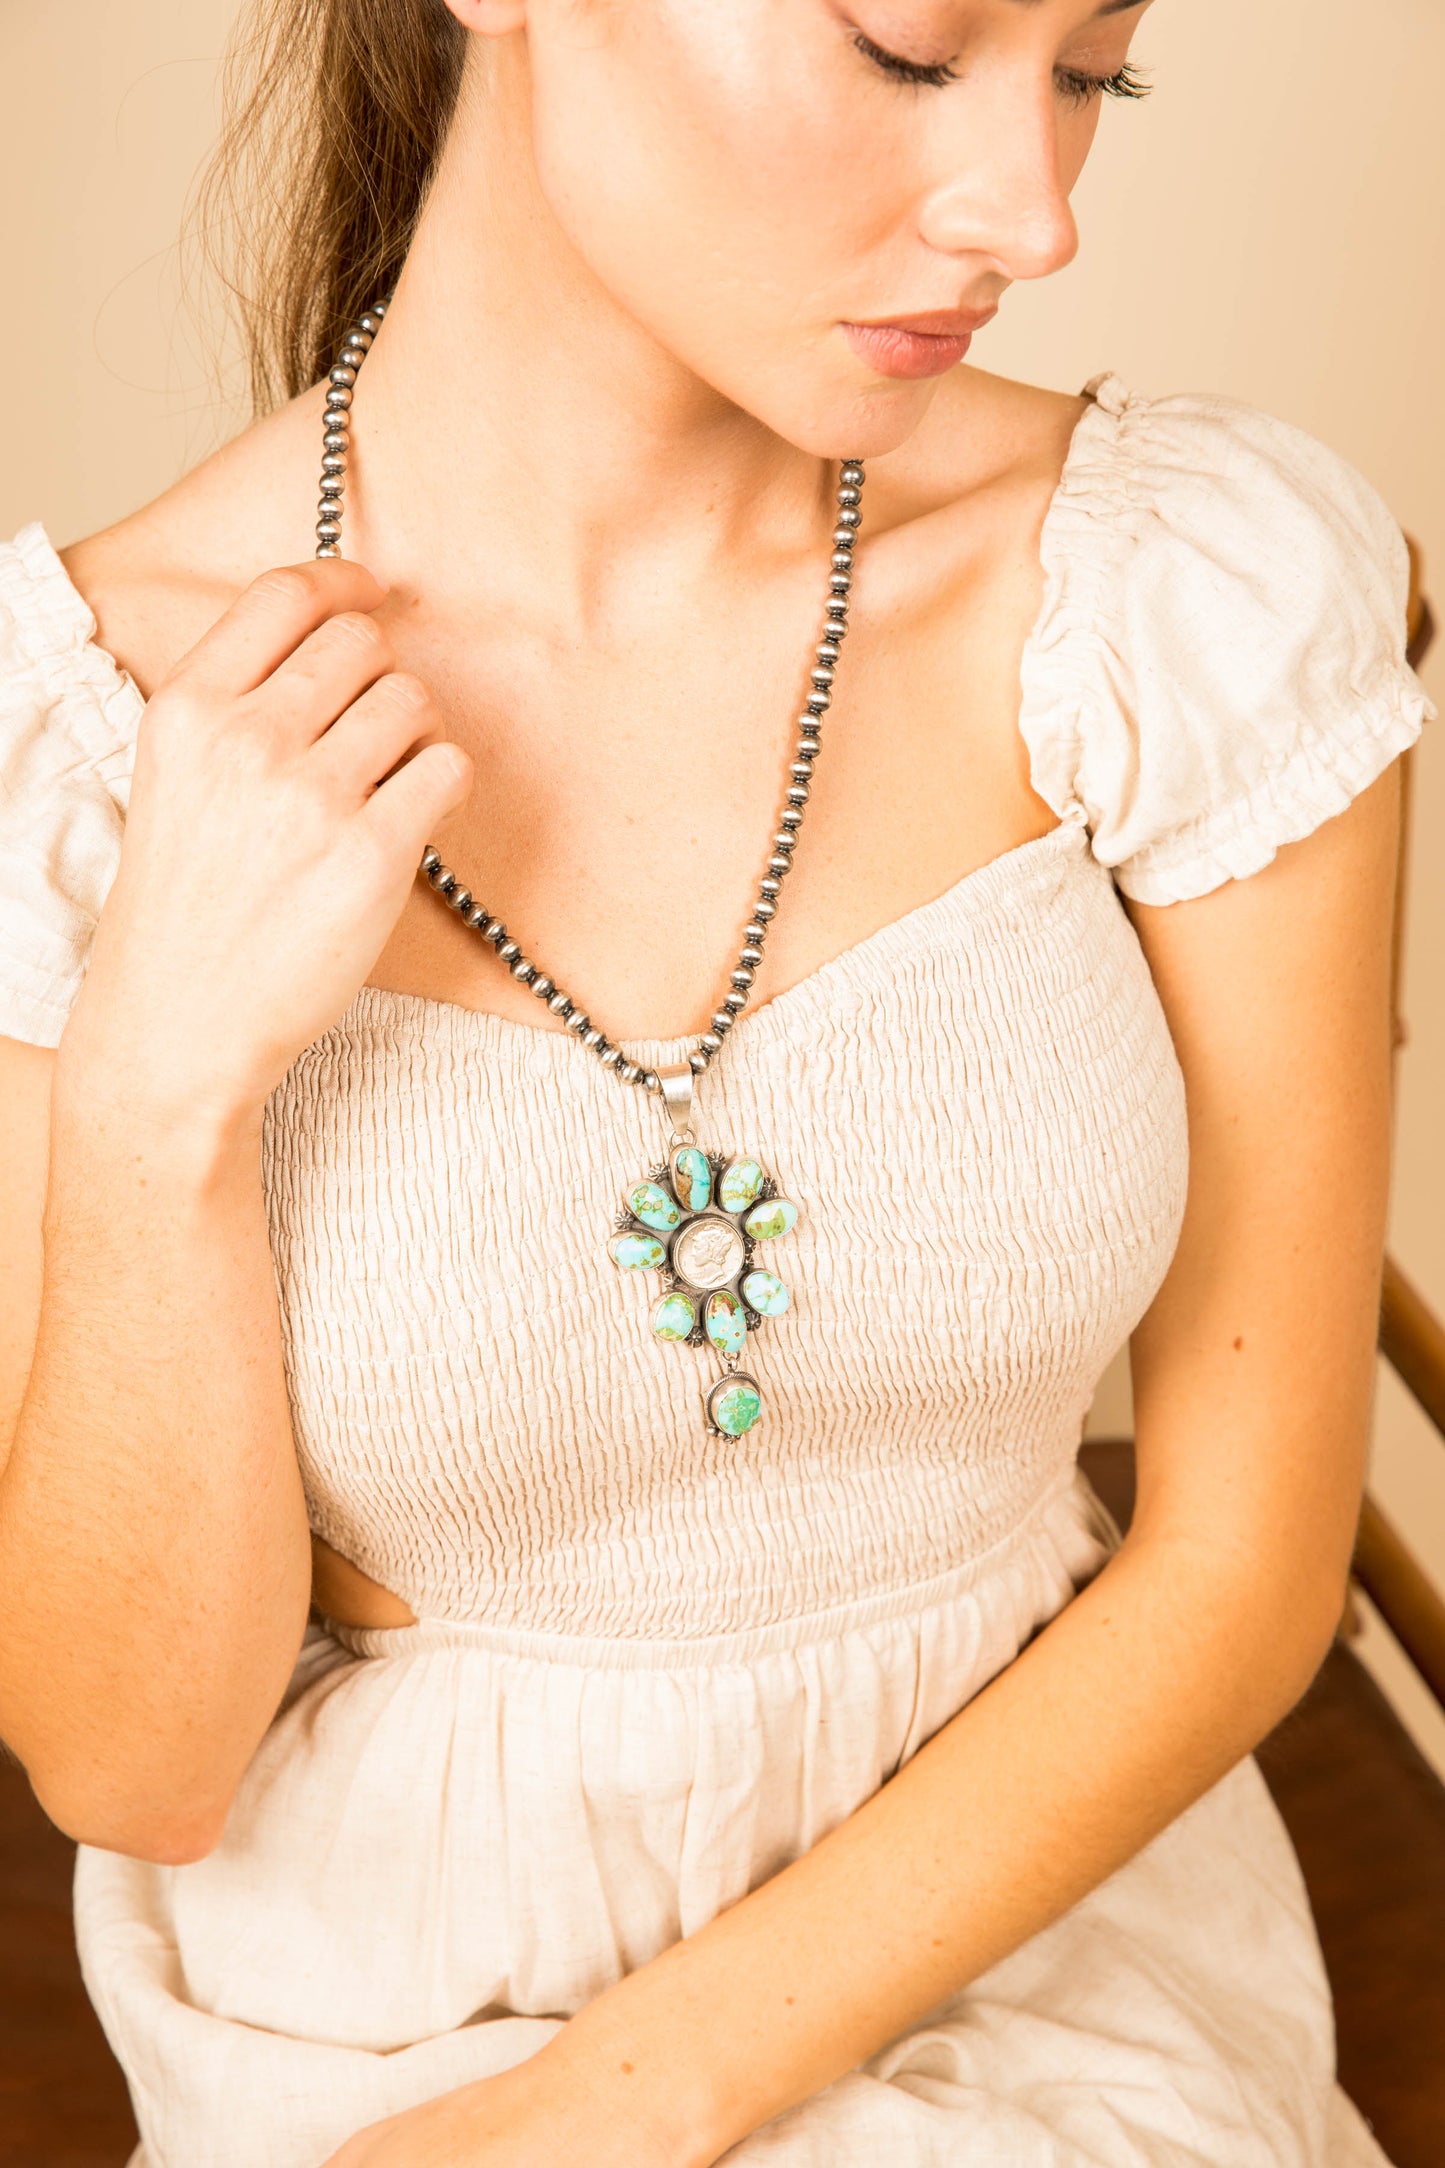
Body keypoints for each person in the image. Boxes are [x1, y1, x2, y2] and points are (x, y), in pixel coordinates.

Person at [0, 0, 1435, 2161]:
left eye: (1090, 74)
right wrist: (158, 1097)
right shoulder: (81, 740)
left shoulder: (1168, 594)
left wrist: (624, 2107)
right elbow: (136, 1769)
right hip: (389, 2022)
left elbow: (1245, 1565)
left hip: (1046, 1946)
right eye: (905, 50)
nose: (1032, 215)